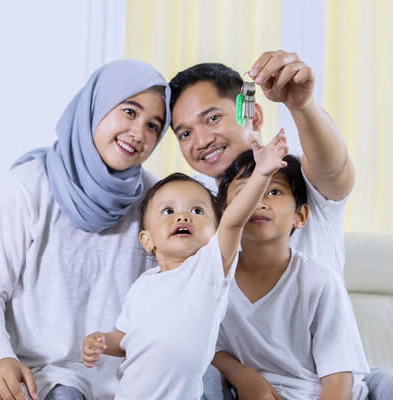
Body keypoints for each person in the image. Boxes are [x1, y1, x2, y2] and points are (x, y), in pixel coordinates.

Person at [169, 51, 393, 400]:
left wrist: (301, 106)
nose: (200, 141)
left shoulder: (299, 178)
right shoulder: (194, 209)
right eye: (184, 132)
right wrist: (241, 375)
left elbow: (333, 169)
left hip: (329, 377)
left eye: (212, 118)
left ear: (252, 113)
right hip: (240, 383)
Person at [0, 59, 171, 400]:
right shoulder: (28, 186)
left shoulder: (157, 200)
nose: (139, 133)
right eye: (130, 112)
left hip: (103, 370)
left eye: (154, 126)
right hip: (20, 358)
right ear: (96, 106)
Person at [82, 131, 288, 399]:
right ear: (147, 240)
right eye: (169, 211)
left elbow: (234, 221)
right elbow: (126, 338)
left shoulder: (208, 270)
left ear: (215, 233)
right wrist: (101, 341)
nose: (183, 217)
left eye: (197, 211)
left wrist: (262, 174)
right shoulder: (143, 285)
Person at [216, 149, 370, 400]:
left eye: (274, 191)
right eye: (246, 191)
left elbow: (337, 378)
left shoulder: (319, 281)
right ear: (223, 213)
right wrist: (241, 373)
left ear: (300, 216)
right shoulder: (212, 277)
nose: (259, 200)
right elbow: (206, 347)